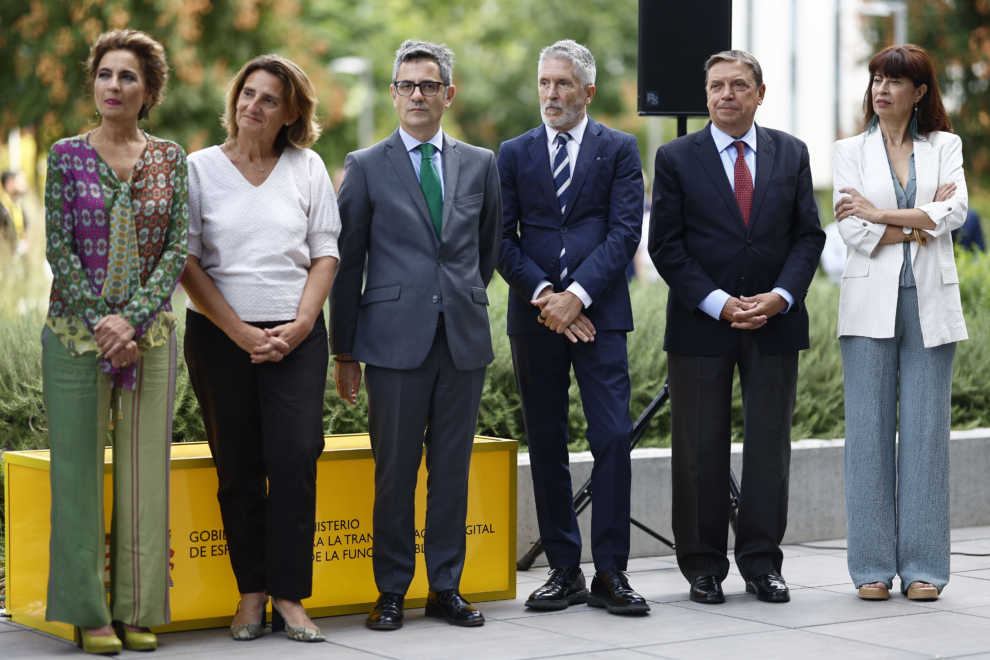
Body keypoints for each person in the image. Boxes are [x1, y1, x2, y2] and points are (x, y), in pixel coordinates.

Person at [330, 40, 501, 631]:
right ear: (394, 94)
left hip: (462, 339)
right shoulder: (365, 164)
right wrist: (344, 350)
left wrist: (455, 298)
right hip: (391, 341)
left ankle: (445, 587)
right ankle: (392, 590)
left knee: (452, 471)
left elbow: (486, 251)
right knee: (395, 472)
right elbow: (347, 264)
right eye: (407, 85)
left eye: (430, 85)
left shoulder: (480, 163)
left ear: (448, 94)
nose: (418, 95)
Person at [650, 50, 825, 605]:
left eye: (739, 85)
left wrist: (780, 297)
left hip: (775, 322)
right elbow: (666, 247)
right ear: (705, 96)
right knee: (699, 449)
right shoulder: (675, 157)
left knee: (769, 448)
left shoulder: (792, 153)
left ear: (760, 93)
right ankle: (702, 565)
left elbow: (808, 236)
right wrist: (720, 303)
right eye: (717, 86)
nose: (727, 94)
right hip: (703, 324)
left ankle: (761, 564)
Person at [181, 55, 339, 642]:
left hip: (295, 336)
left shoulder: (308, 167)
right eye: (247, 93)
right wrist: (238, 330)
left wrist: (300, 326)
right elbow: (187, 259)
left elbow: (326, 251)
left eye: (269, 98)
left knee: (297, 455)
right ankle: (250, 594)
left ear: (291, 111)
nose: (253, 105)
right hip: (221, 337)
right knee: (238, 463)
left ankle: (290, 596)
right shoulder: (198, 168)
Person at [41, 29, 187, 654]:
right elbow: (59, 247)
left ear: (148, 90)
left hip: (151, 336)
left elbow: (177, 246)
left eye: (128, 77)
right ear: (92, 83)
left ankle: (137, 607)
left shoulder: (171, 159)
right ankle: (88, 613)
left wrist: (131, 321)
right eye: (104, 74)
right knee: (77, 475)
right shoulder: (65, 156)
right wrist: (105, 323)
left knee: (143, 476)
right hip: (75, 337)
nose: (113, 87)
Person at [497, 40, 648, 615]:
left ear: (587, 91)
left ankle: (611, 572)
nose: (551, 95)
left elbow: (624, 232)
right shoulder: (512, 153)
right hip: (535, 320)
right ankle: (565, 569)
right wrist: (545, 297)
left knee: (611, 436)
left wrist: (577, 297)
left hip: (600, 316)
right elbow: (501, 241)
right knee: (548, 441)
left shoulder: (619, 148)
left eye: (563, 85)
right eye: (544, 84)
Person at [833, 44, 968, 602]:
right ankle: (870, 566)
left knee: (925, 436)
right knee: (866, 436)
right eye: (876, 79)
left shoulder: (945, 146)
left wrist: (881, 213)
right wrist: (918, 223)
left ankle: (923, 569)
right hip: (868, 306)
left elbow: (954, 214)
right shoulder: (848, 150)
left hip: (931, 304)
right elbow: (850, 231)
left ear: (919, 93)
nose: (881, 89)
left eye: (895, 80)